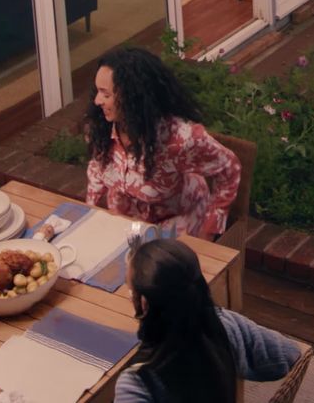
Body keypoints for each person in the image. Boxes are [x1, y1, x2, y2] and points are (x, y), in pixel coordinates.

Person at [115, 239, 302, 403]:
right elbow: (290, 354)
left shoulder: (138, 382)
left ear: (144, 304)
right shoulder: (226, 325)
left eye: (130, 290)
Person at [85, 45, 241, 238]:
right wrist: (90, 214)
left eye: (106, 94)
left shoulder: (180, 139)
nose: (97, 101)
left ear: (133, 97)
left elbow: (229, 167)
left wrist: (211, 226)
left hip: (177, 222)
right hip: (128, 225)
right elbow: (96, 169)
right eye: (97, 91)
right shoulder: (102, 127)